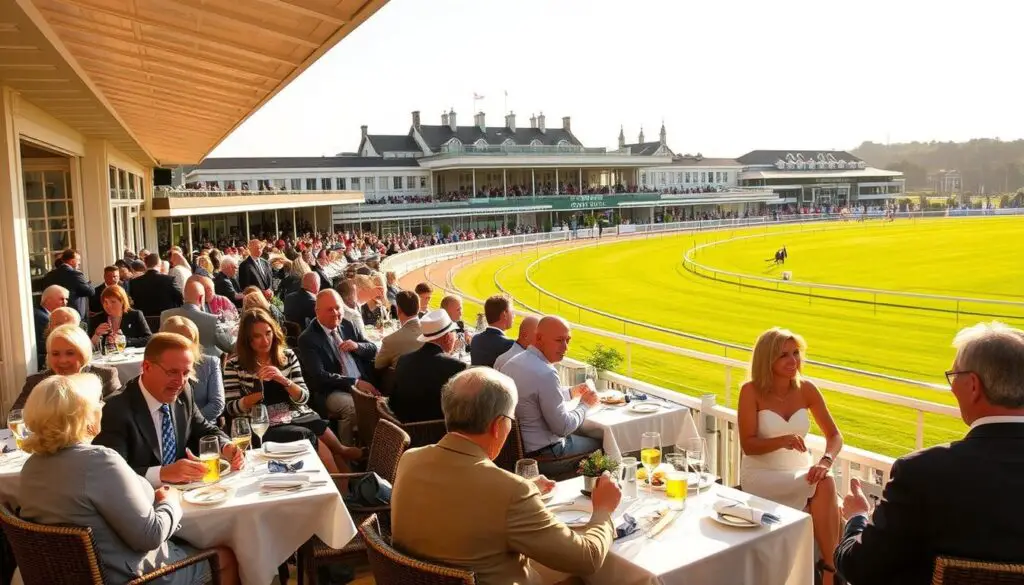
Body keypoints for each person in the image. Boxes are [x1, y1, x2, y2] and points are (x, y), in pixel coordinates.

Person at [835, 322, 1024, 585]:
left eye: (954, 376)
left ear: (973, 386)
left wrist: (857, 517)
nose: (951, 387)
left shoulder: (921, 473)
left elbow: (858, 567)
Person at [392, 368, 620, 585]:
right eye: (511, 420)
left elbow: (452, 503)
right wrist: (603, 509)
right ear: (498, 425)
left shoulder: (410, 460)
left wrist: (525, 486)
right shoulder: (510, 492)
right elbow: (586, 559)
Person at [18, 374, 240, 585]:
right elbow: (150, 536)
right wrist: (170, 501)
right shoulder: (99, 462)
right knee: (226, 557)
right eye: (97, 402)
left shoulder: (30, 468)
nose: (102, 407)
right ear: (83, 416)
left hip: (68, 576)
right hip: (129, 577)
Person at [738, 327, 842, 585]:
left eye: (796, 353)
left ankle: (828, 568)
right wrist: (782, 440)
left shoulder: (806, 389)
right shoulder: (750, 391)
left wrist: (825, 460)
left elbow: (835, 436)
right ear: (767, 359)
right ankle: (832, 570)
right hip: (762, 475)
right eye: (783, 355)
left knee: (825, 479)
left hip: (799, 470)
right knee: (826, 488)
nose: (793, 360)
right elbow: (748, 445)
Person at [93, 333, 244, 486]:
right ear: (146, 367)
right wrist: (162, 473)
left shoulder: (184, 391)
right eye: (172, 372)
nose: (180, 381)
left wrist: (226, 446)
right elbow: (110, 475)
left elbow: (203, 429)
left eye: (186, 373)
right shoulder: (115, 410)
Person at [223, 308, 361, 473]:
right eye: (257, 336)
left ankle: (345, 490)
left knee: (326, 443)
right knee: (318, 442)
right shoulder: (234, 365)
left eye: (268, 333)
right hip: (262, 423)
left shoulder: (287, 356)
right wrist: (255, 394)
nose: (265, 340)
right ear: (247, 340)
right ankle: (341, 471)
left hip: (295, 414)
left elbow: (303, 397)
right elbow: (230, 408)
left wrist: (283, 380)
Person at [500, 316, 601, 478]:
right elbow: (563, 428)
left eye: (568, 340)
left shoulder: (512, 364)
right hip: (543, 456)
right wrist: (585, 405)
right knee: (602, 445)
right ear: (539, 338)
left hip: (515, 452)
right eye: (559, 340)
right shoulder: (545, 372)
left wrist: (569, 392)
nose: (565, 347)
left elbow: (532, 395)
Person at [296, 290, 379, 445]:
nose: (335, 313)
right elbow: (319, 376)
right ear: (317, 311)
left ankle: (371, 448)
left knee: (382, 406)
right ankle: (346, 453)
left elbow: (372, 348)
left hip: (363, 382)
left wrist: (357, 346)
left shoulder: (347, 325)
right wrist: (354, 382)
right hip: (332, 391)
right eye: (330, 309)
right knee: (353, 408)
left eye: (338, 308)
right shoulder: (308, 339)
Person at [13, 324, 121, 410]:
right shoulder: (36, 382)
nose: (63, 360)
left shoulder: (105, 376)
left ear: (84, 354)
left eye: (70, 353)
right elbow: (15, 417)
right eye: (55, 354)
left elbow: (116, 416)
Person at [390, 309, 467, 423]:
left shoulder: (403, 360)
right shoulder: (456, 367)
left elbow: (393, 401)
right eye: (454, 333)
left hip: (402, 429)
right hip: (438, 433)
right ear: (447, 337)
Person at [161, 316, 224, 423]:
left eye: (190, 339)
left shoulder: (209, 363)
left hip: (204, 427)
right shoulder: (158, 367)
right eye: (180, 339)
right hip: (168, 430)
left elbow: (217, 404)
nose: (187, 344)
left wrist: (187, 423)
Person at [160, 280, 234, 356]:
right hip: (207, 365)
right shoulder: (214, 320)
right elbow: (229, 346)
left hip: (172, 362)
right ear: (201, 298)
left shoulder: (165, 315)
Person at [88, 284, 152, 349]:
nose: (108, 305)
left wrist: (126, 341)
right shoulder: (97, 319)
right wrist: (96, 335)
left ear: (122, 302)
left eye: (113, 302)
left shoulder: (135, 315)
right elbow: (87, 347)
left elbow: (149, 339)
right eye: (105, 302)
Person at [374, 290, 422, 372]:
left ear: (398, 309)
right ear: (419, 308)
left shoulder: (390, 340)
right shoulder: (432, 332)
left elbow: (378, 365)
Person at [39, 248, 93, 319]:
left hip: (54, 314)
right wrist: (89, 283)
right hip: (74, 316)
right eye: (78, 260)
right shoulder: (76, 274)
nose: (79, 263)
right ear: (72, 261)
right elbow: (90, 292)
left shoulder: (49, 275)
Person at [470, 295, 515, 367]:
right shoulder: (509, 345)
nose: (514, 315)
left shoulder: (475, 339)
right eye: (512, 312)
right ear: (504, 315)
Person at [34, 285, 68, 366]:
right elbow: (47, 346)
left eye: (66, 299)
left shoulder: (45, 315)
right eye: (61, 299)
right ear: (48, 300)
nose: (65, 302)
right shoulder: (42, 318)